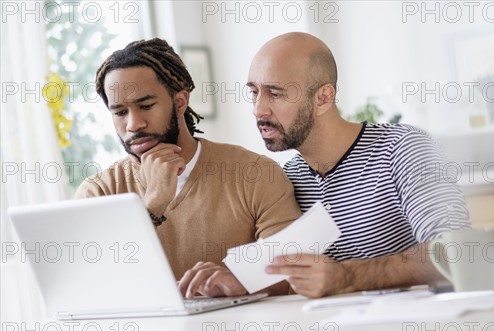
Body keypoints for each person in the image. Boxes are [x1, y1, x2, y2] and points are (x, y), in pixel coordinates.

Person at [246, 32, 471, 298]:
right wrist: (243, 283)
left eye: (275, 93)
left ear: (323, 98)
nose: (258, 110)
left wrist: (346, 276)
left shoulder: (404, 148)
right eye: (254, 92)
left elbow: (457, 251)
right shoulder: (289, 178)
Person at [75, 38, 301, 297]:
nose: (133, 124)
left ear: (180, 102)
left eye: (146, 106)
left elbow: (294, 274)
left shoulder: (257, 173)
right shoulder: (98, 193)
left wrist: (239, 281)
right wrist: (152, 206)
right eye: (120, 112)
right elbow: (90, 289)